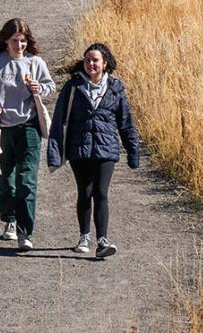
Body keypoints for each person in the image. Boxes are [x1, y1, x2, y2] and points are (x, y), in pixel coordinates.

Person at [46, 43, 140, 258]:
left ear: (105, 63)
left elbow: (125, 122)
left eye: (95, 60)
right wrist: (55, 153)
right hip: (79, 149)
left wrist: (132, 151)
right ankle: (84, 236)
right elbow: (60, 121)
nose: (91, 64)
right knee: (85, 192)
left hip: (106, 149)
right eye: (88, 60)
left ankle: (102, 241)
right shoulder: (73, 87)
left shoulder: (116, 88)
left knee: (101, 192)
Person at [0, 18, 55, 251]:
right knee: (5, 179)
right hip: (1, 128)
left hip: (29, 126)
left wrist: (39, 89)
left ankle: (25, 232)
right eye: (14, 41)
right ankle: (9, 220)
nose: (19, 46)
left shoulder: (36, 62)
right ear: (5, 40)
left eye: (22, 41)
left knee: (27, 181)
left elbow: (50, 86)